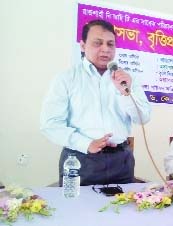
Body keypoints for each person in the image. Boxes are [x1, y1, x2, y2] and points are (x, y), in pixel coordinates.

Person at [40, 20, 151, 186]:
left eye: (110, 44)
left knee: (124, 209)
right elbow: (50, 124)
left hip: (121, 160)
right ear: (83, 46)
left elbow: (143, 118)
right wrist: (87, 144)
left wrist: (125, 93)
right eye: (98, 43)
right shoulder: (67, 79)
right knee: (77, 210)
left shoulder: (126, 79)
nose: (105, 49)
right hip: (80, 159)